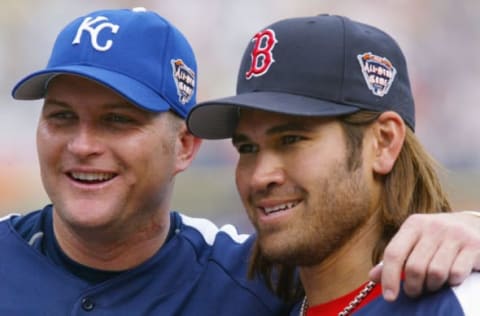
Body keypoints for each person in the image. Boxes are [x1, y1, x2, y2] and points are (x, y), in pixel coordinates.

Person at [0, 7, 478, 316]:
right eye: (247, 147)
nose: (83, 145)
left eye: (292, 138)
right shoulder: (283, 286)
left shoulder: (241, 276)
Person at [186, 14, 480, 315]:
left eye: (291, 139)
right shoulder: (256, 300)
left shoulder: (459, 301)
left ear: (383, 142)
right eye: (247, 147)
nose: (260, 176)